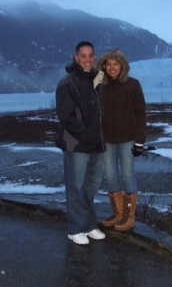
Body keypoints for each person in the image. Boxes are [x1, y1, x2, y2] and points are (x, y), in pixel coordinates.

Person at [55, 41, 106, 245]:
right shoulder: (68, 83)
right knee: (75, 186)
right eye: (83, 56)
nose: (87, 59)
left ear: (95, 57)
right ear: (76, 57)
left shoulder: (99, 80)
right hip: (76, 144)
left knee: (91, 187)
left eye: (90, 55)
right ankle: (75, 228)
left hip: (97, 144)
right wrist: (87, 135)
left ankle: (89, 224)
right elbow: (66, 117)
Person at [96, 48, 146, 231]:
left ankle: (128, 217)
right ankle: (117, 214)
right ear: (103, 66)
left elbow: (140, 113)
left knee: (127, 176)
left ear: (122, 66)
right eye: (108, 64)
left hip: (127, 139)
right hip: (106, 139)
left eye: (115, 64)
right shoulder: (99, 83)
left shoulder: (133, 84)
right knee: (110, 176)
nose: (112, 67)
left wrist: (140, 141)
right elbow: (87, 98)